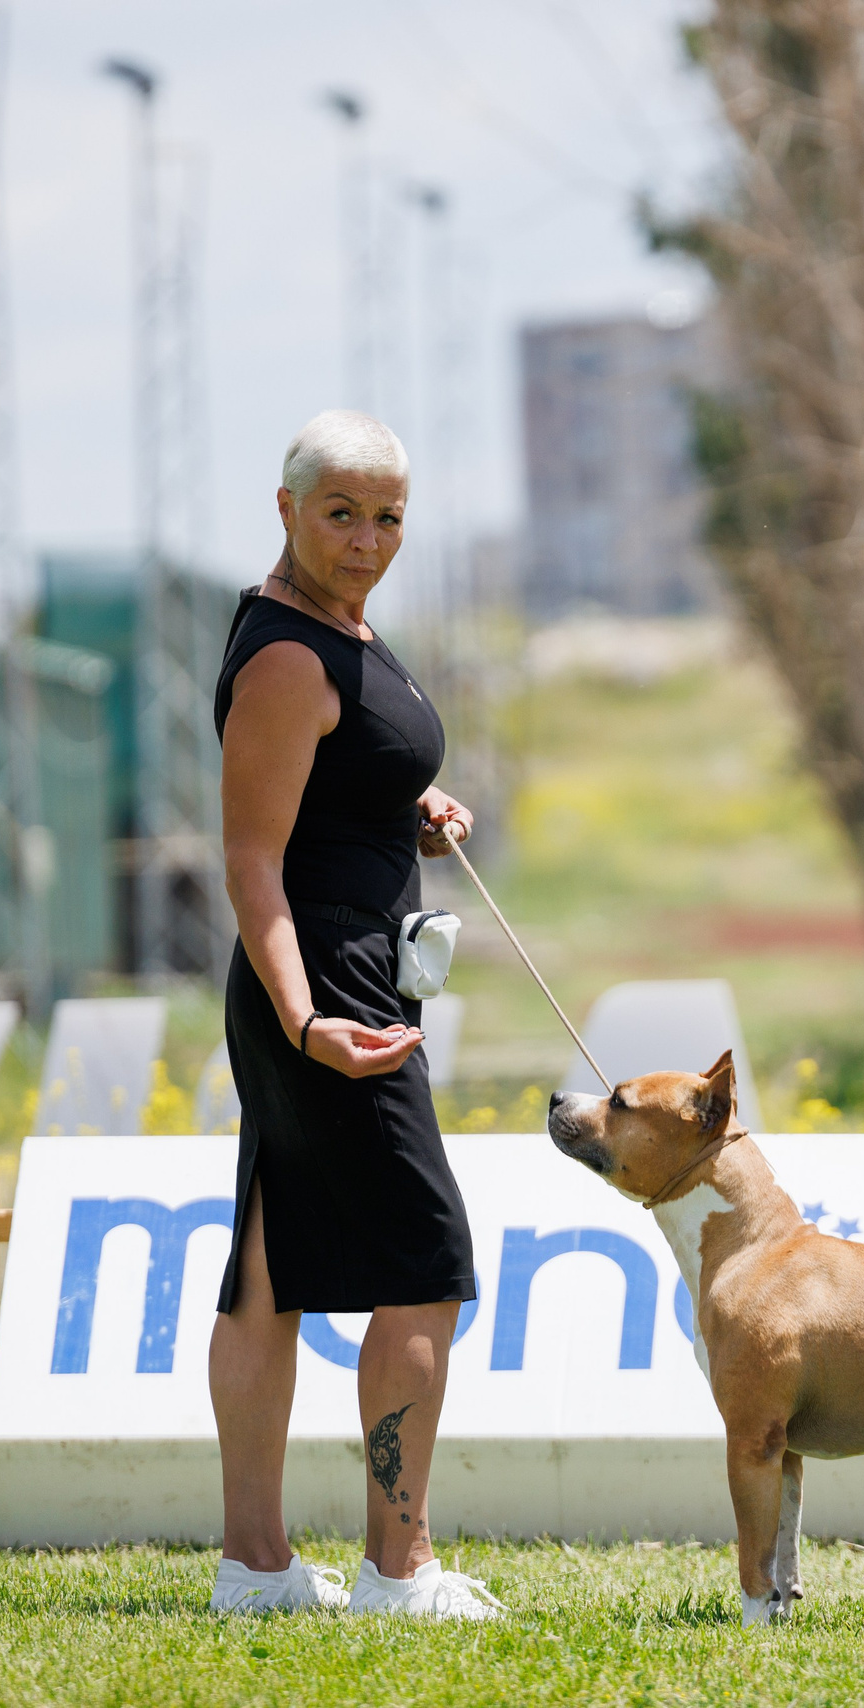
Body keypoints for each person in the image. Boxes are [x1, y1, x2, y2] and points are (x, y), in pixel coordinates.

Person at [205, 410, 498, 1621]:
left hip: (339, 977)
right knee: (425, 1265)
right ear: (286, 510)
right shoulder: (286, 654)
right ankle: (398, 1569)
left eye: (388, 518)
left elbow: (335, 770)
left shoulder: (334, 625)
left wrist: (405, 798)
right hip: (326, 990)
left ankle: (256, 1567)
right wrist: (307, 1017)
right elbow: (251, 861)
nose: (369, 539)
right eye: (343, 514)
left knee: (270, 1271)